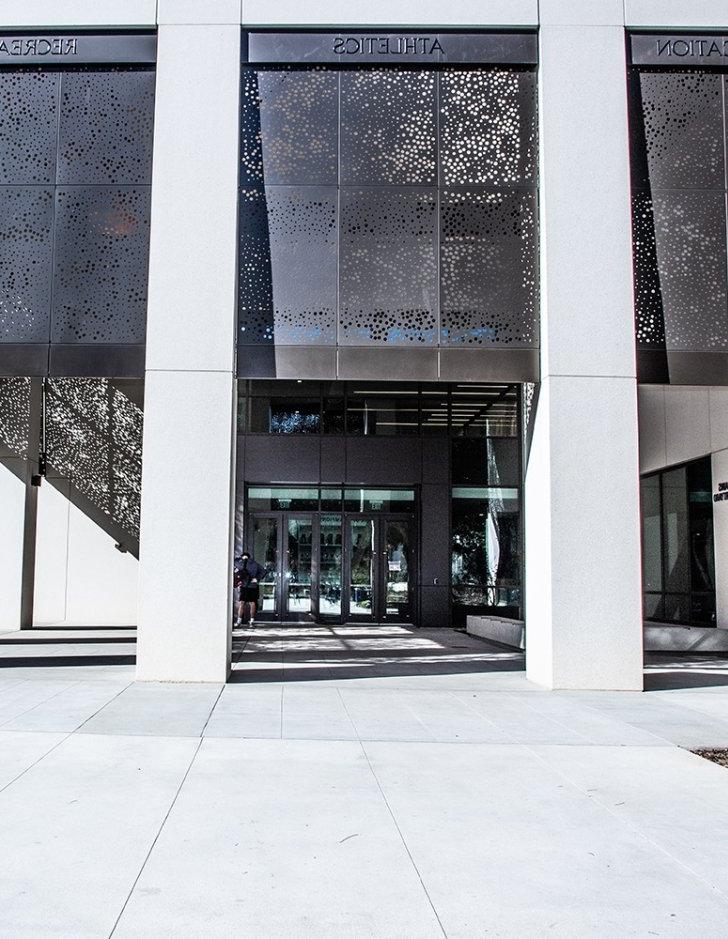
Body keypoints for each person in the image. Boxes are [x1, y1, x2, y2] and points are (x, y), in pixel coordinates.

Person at [234, 551, 266, 627]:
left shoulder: (239, 562)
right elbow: (264, 571)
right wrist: (257, 579)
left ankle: (239, 621)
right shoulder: (254, 563)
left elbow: (235, 563)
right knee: (252, 603)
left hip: (245, 585)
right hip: (252, 585)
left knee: (242, 603)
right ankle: (251, 621)